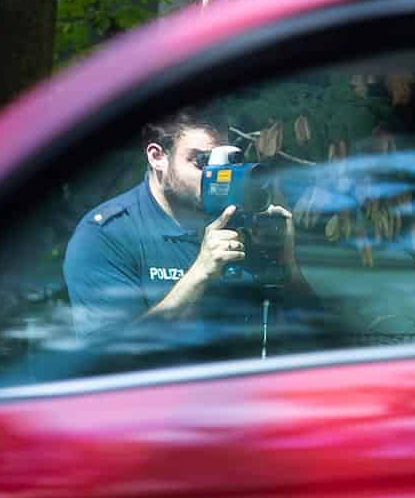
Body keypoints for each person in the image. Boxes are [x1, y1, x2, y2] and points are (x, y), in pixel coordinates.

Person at [63, 112, 315, 350]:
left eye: (226, 161)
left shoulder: (244, 220)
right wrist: (200, 275)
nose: (217, 174)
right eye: (203, 161)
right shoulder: (106, 235)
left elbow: (316, 333)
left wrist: (288, 267)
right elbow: (108, 358)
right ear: (157, 156)